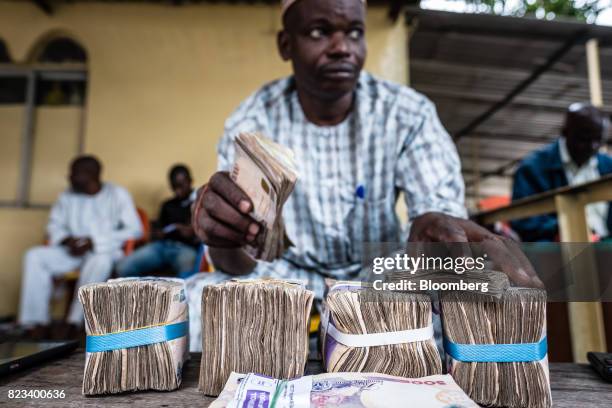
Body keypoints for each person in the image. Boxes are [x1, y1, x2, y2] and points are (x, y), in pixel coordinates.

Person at [186, 0, 541, 351]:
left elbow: (439, 217)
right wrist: (224, 239)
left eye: (355, 32)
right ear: (285, 44)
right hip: (285, 280)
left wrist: (437, 226)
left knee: (449, 298)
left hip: (379, 275)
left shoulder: (407, 113)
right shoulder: (252, 120)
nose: (342, 48)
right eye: (319, 32)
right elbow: (237, 265)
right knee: (198, 300)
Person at [18, 155, 142, 335]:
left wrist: (95, 241)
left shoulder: (117, 194)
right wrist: (67, 240)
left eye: (74, 173)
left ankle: (73, 321)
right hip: (71, 251)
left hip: (103, 250)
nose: (69, 177)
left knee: (101, 261)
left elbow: (135, 230)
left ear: (92, 174)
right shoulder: (66, 196)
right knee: (34, 256)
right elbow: (53, 225)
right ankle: (35, 323)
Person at [512, 103, 612, 242]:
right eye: (584, 139)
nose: (592, 147)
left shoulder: (608, 166)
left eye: (598, 140)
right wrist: (564, 230)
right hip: (558, 248)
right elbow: (523, 220)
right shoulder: (533, 168)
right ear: (565, 132)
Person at [116, 164, 199, 278]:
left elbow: (205, 236)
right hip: (162, 246)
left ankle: (178, 295)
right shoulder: (167, 205)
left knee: (187, 273)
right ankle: (142, 293)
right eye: (174, 186)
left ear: (190, 181)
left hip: (186, 249)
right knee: (123, 267)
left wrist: (193, 233)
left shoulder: (199, 202)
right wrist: (157, 233)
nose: (178, 190)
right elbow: (159, 228)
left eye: (181, 185)